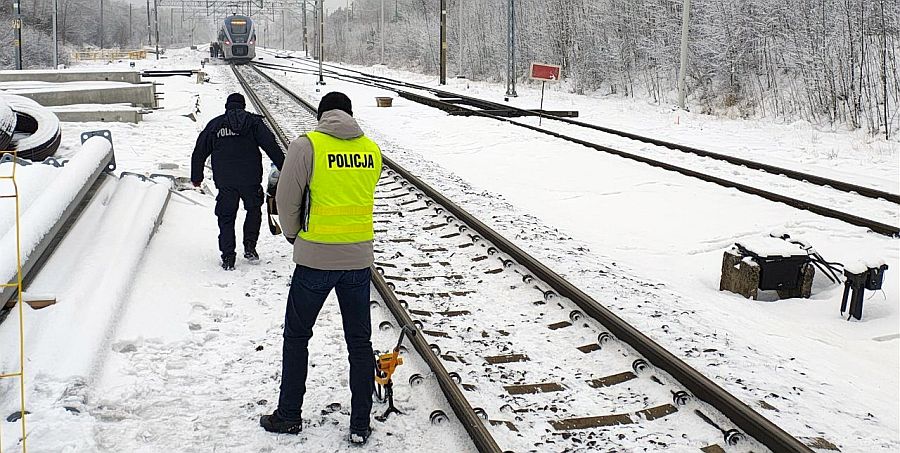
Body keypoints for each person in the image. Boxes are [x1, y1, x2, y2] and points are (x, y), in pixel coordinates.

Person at [261, 92, 382, 445]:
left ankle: (289, 415)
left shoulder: (306, 146)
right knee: (359, 342)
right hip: (358, 261)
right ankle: (360, 423)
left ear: (322, 115)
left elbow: (286, 199)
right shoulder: (371, 150)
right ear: (350, 114)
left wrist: (294, 236)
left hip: (315, 260)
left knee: (297, 336)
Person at [191, 93, 284, 270]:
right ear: (243, 106)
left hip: (225, 181)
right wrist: (284, 168)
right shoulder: (253, 123)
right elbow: (271, 146)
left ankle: (228, 256)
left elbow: (199, 151)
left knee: (226, 217)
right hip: (251, 179)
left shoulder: (216, 125)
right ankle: (250, 247)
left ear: (227, 106)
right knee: (253, 211)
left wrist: (197, 177)